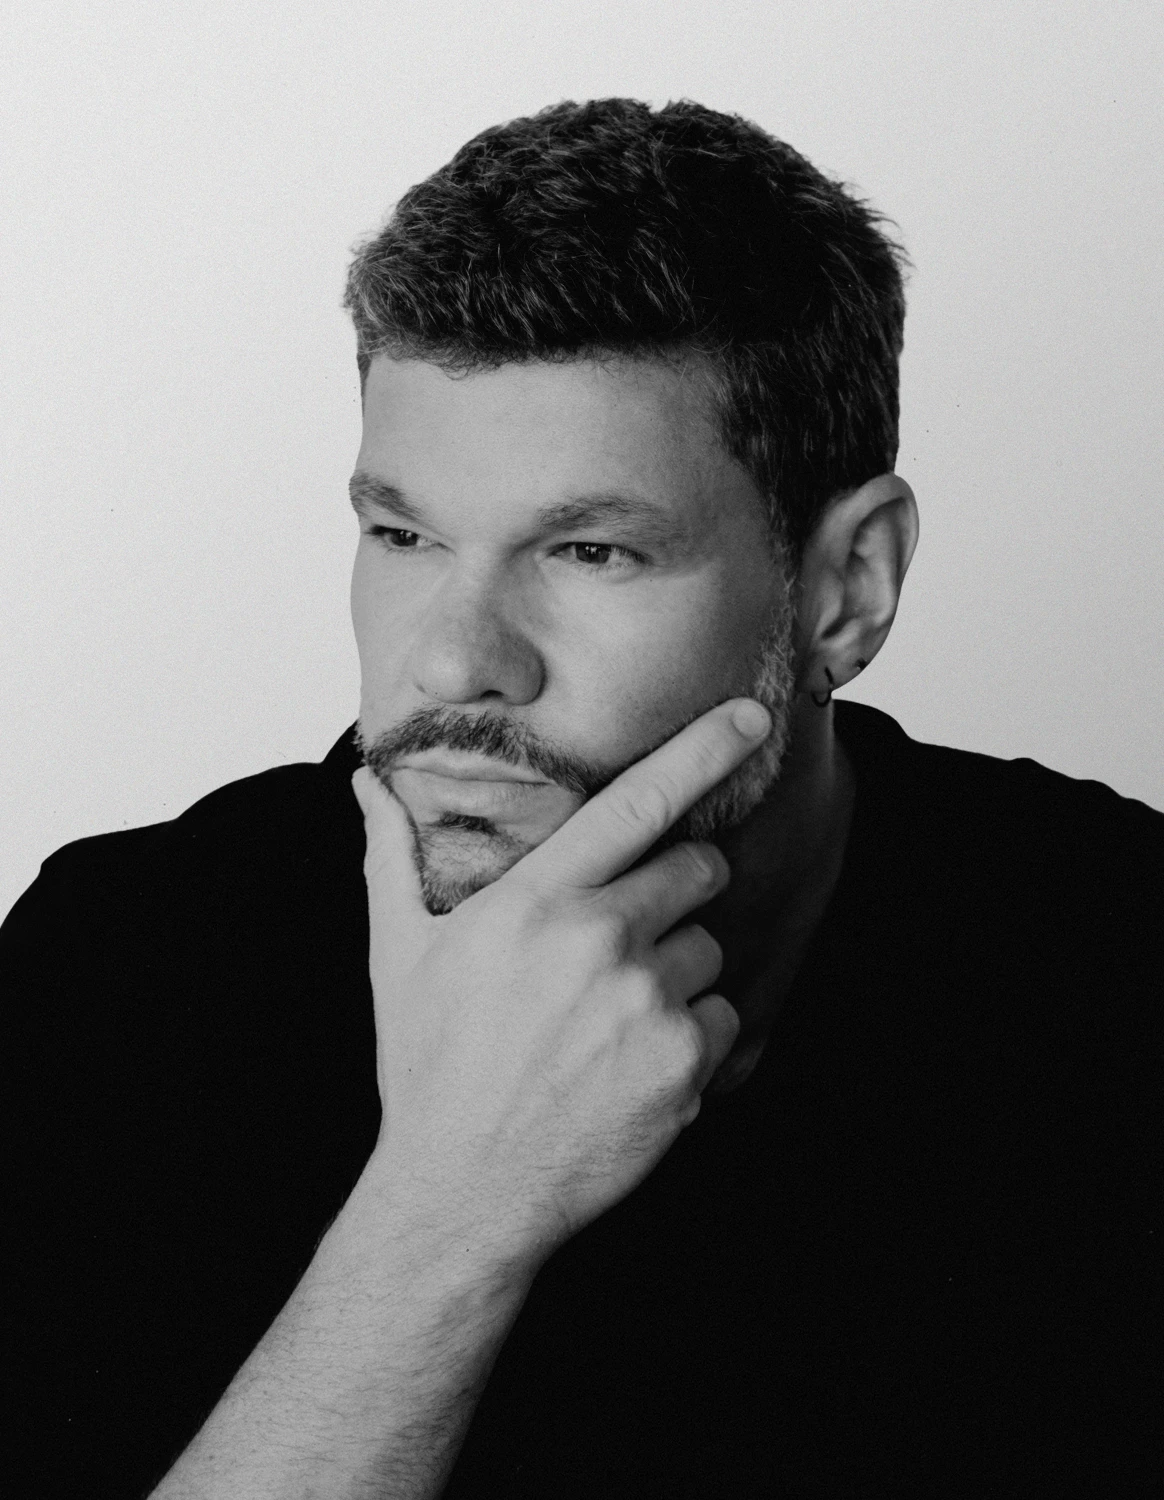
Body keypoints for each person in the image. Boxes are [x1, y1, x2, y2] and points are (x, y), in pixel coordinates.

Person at [6, 97, 1160, 1498]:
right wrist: (453, 1204)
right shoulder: (122, 965)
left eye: (592, 551)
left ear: (846, 590)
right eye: (403, 534)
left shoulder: (1114, 959)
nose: (453, 663)